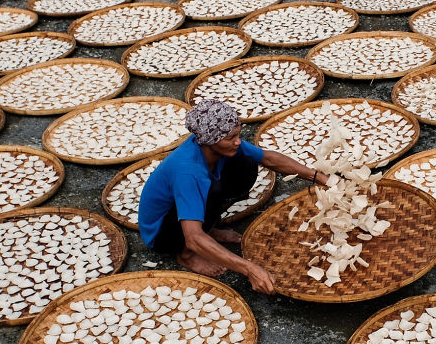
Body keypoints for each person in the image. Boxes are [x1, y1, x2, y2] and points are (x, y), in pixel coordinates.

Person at [139, 99, 327, 294]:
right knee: (212, 192)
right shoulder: (188, 171)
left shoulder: (214, 145)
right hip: (162, 233)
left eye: (237, 134)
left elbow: (269, 159)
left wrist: (320, 178)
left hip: (187, 211)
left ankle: (209, 229)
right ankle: (186, 255)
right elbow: (193, 237)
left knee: (246, 162)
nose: (237, 141)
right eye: (231, 138)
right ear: (210, 140)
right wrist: (249, 268)